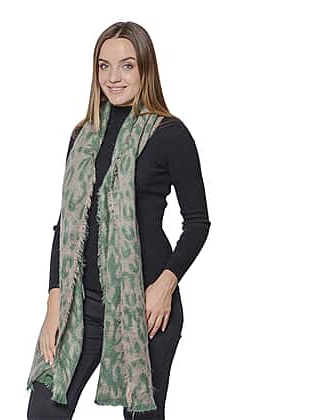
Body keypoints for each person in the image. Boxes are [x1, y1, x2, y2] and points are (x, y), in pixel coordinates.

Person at [26, 21, 211, 420]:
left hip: (144, 309)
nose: (113, 77)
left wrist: (165, 285)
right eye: (104, 65)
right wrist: (54, 302)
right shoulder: (82, 136)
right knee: (44, 411)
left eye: (127, 65)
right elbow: (66, 224)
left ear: (145, 69)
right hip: (81, 308)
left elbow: (197, 223)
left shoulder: (170, 135)